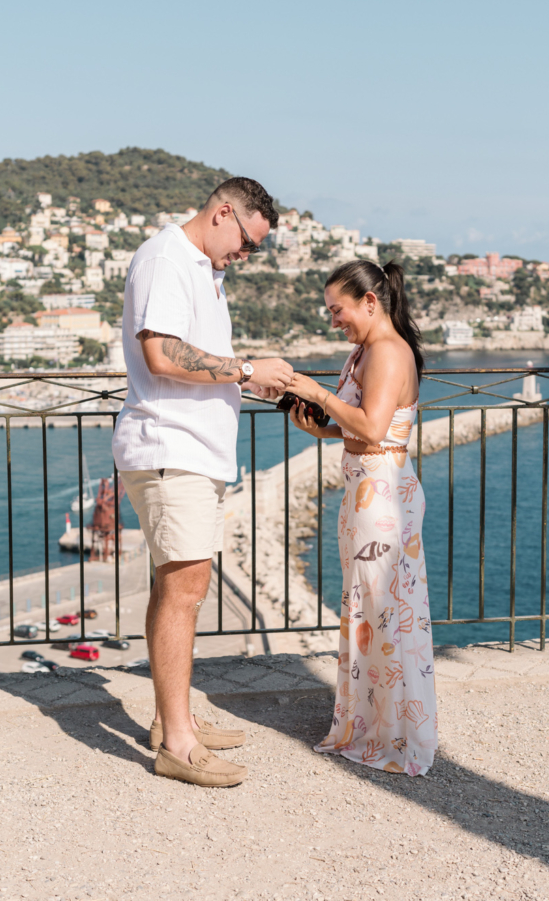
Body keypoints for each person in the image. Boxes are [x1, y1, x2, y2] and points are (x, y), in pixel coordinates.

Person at [112, 177, 295, 787]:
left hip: (191, 452)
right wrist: (246, 368)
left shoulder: (200, 268)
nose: (245, 257)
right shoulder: (169, 258)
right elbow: (162, 353)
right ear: (223, 214)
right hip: (173, 448)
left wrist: (245, 379)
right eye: (247, 242)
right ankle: (179, 746)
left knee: (174, 590)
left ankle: (172, 722)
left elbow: (191, 359)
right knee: (186, 593)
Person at [284, 260, 437, 775]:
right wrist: (320, 430)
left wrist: (317, 392)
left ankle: (394, 734)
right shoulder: (366, 352)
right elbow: (369, 430)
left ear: (370, 302)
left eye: (338, 310)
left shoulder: (389, 353)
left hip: (384, 498)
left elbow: (373, 429)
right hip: (366, 493)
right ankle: (374, 723)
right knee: (372, 611)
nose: (334, 321)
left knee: (386, 613)